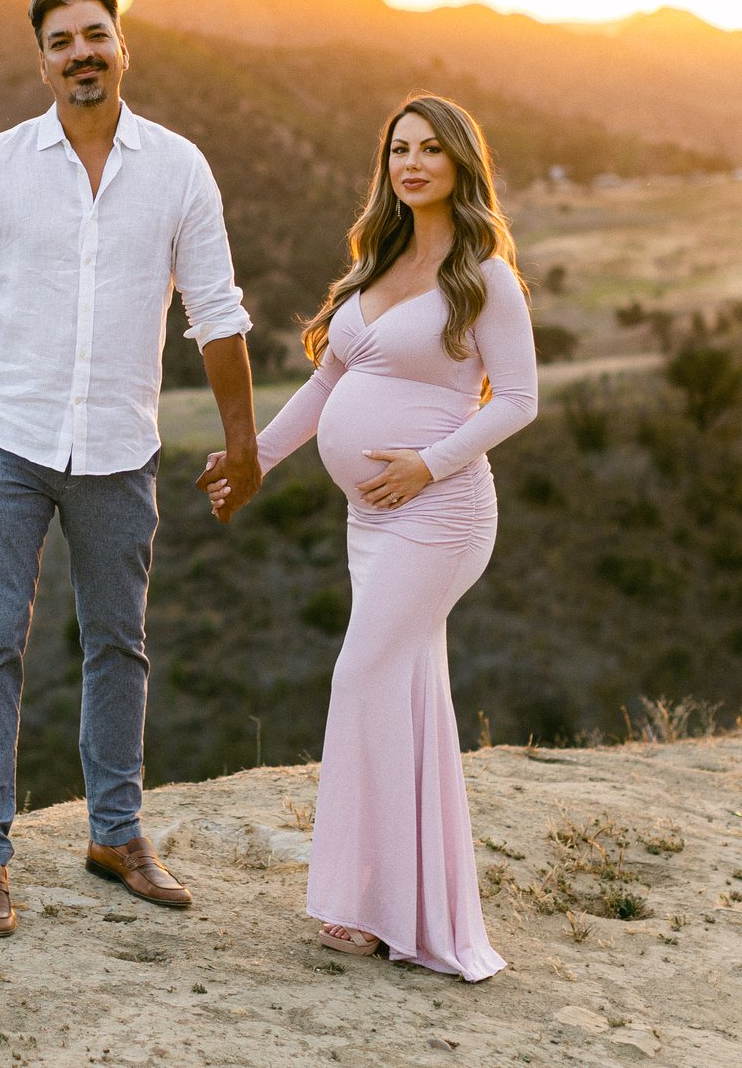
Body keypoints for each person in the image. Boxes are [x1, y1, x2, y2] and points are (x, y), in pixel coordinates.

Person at [0, 0, 265, 939]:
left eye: (96, 35)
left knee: (120, 643)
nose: (82, 51)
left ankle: (117, 833)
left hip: (120, 450)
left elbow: (218, 310)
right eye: (62, 39)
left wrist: (244, 443)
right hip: (8, 444)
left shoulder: (179, 169)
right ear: (41, 61)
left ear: (125, 49)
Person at [208, 92, 534, 979]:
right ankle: (399, 902)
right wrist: (254, 460)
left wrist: (428, 462)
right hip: (372, 519)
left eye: (432, 148)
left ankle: (368, 902)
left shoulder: (484, 275)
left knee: (362, 673)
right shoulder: (376, 262)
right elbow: (322, 390)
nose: (413, 162)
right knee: (404, 688)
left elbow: (518, 399)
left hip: (443, 511)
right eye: (399, 149)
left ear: (463, 162)